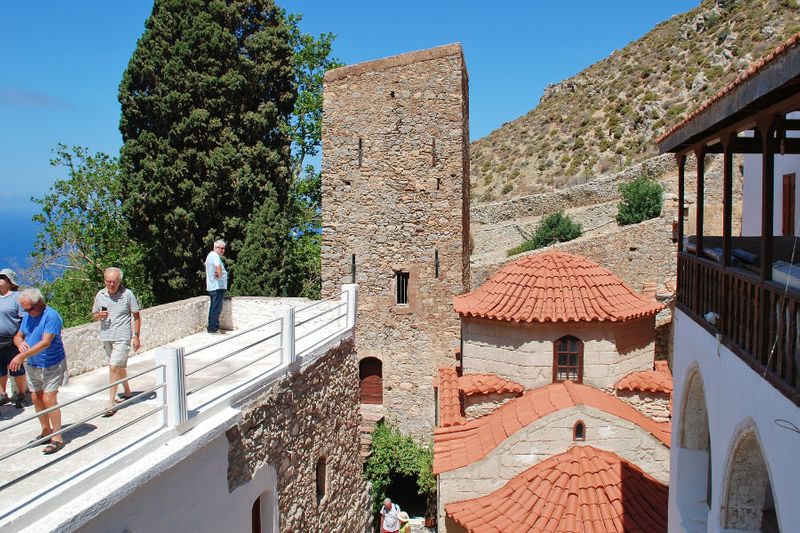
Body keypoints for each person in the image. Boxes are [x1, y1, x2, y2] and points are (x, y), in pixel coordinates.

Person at [9, 288, 67, 454]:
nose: (28, 312)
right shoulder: (28, 315)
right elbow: (18, 335)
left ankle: (57, 437)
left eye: (30, 308)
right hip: (33, 364)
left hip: (51, 363)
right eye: (25, 309)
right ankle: (45, 431)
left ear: (40, 303)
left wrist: (21, 356)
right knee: (36, 397)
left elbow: (46, 342)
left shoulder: (51, 316)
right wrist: (20, 343)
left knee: (49, 398)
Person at [91, 267, 141, 417]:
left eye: (114, 282)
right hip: (107, 336)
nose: (111, 284)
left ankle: (110, 404)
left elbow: (137, 316)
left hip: (122, 336)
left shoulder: (127, 295)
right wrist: (99, 315)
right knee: (118, 366)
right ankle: (127, 391)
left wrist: (136, 336)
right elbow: (94, 315)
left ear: (119, 281)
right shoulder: (100, 295)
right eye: (108, 281)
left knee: (113, 367)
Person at [0, 268, 27, 408]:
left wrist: (21, 338)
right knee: (0, 370)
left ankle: (21, 394)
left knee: (16, 368)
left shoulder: (17, 297)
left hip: (13, 339)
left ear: (10, 282)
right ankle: (3, 394)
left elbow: (24, 318)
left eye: (2, 277)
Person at [205, 239, 228, 334]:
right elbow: (217, 265)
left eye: (224, 249)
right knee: (216, 308)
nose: (223, 251)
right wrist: (219, 274)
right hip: (217, 287)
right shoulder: (215, 256)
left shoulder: (210, 255)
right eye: (221, 248)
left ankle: (212, 327)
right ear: (216, 248)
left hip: (212, 286)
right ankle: (213, 328)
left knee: (213, 307)